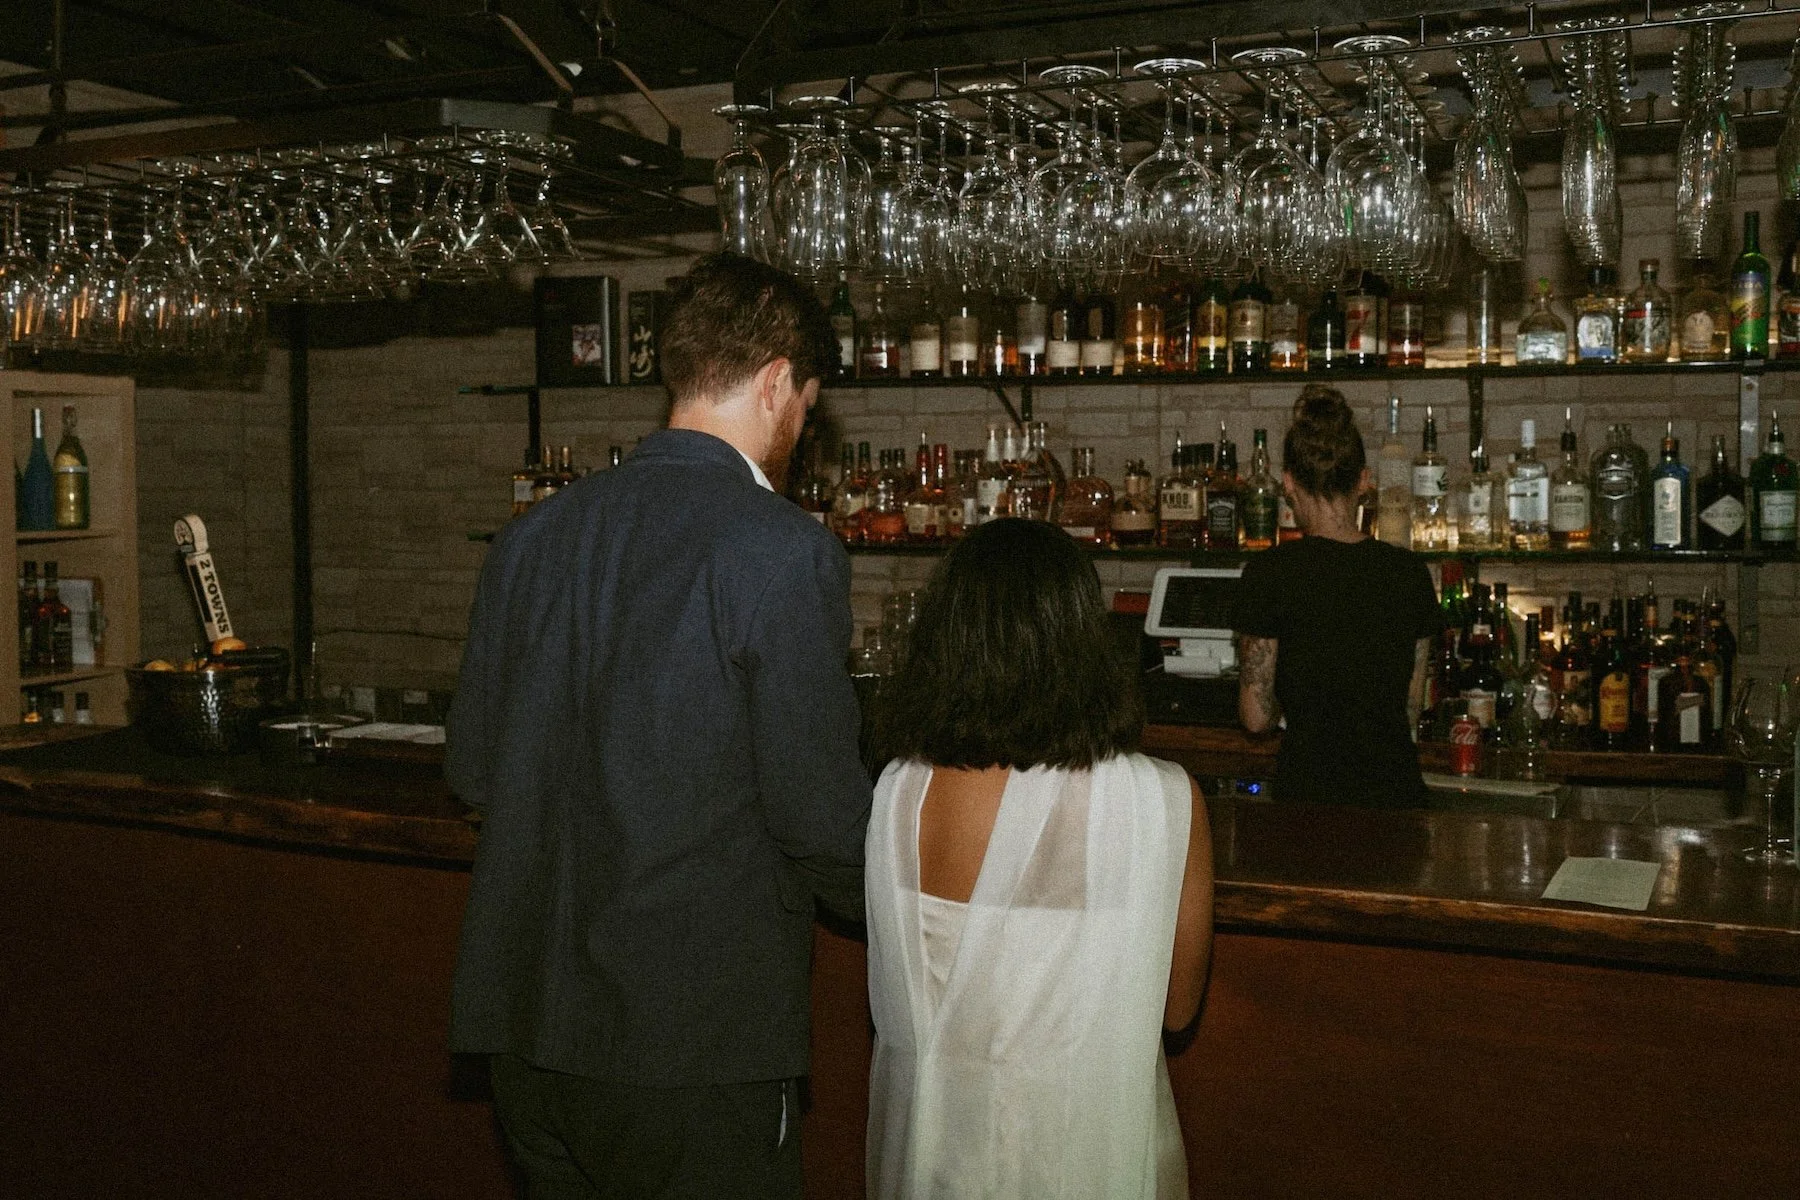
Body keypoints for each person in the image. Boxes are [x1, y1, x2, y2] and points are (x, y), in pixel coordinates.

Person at [445, 252, 872, 1199]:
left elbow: (473, 770)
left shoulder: (530, 539)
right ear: (773, 384)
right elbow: (819, 818)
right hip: (689, 1046)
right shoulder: (784, 552)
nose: (804, 424)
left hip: (526, 1036)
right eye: (806, 401)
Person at [864, 518, 1213, 1199]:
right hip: (1085, 1155)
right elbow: (1177, 1010)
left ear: (945, 641)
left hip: (932, 1160)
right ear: (1083, 641)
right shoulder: (1163, 800)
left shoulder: (899, 790)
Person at [1231, 385, 1440, 808]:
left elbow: (1255, 718)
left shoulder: (1270, 573)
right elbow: (1411, 708)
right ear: (1364, 481)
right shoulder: (1408, 573)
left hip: (1308, 799)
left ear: (1288, 483)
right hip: (1394, 800)